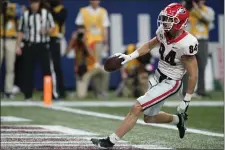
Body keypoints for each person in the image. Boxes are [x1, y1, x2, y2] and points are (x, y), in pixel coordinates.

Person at [91, 3, 198, 148]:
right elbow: (149, 45)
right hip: (158, 76)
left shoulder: (187, 43)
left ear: (180, 23)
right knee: (149, 118)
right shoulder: (163, 31)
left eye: (169, 19)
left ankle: (110, 141)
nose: (165, 22)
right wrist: (130, 57)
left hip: (171, 82)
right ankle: (178, 120)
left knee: (137, 107)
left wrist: (186, 100)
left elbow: (193, 74)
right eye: (165, 18)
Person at [16, 0, 55, 100]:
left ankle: (48, 94)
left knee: (47, 70)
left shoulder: (46, 13)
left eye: (36, 3)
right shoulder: (25, 15)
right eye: (33, 3)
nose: (34, 5)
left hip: (43, 45)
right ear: (30, 4)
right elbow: (20, 31)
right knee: (28, 71)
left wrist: (46, 31)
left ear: (39, 3)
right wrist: (18, 46)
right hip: (29, 45)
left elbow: (53, 28)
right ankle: (27, 95)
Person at [66, 25, 108, 99]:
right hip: (82, 71)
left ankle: (102, 92)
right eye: (80, 33)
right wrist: (72, 40)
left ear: (86, 33)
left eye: (83, 33)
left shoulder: (90, 40)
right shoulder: (75, 41)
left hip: (92, 68)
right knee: (81, 95)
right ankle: (84, 91)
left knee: (106, 71)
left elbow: (91, 55)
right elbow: (66, 52)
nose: (81, 35)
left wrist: (84, 42)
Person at [183, 0, 214, 97]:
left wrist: (196, 9)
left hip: (202, 41)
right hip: (189, 39)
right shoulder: (188, 9)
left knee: (202, 66)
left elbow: (208, 19)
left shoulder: (208, 10)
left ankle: (201, 90)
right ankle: (186, 92)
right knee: (187, 67)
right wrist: (186, 7)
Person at [75, 0, 110, 64]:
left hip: (98, 41)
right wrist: (82, 41)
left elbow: (105, 29)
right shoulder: (83, 11)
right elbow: (79, 28)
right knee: (86, 63)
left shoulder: (103, 12)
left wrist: (106, 44)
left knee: (97, 63)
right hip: (86, 42)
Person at [0, 1, 22, 98]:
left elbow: (19, 15)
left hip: (11, 39)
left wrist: (9, 8)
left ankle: (8, 91)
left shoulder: (14, 6)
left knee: (10, 67)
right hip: (0, 38)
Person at [49, 0, 67, 99]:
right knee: (50, 66)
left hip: (57, 38)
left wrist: (49, 9)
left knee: (56, 66)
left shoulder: (62, 9)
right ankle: (53, 90)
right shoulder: (45, 9)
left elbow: (59, 18)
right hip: (47, 39)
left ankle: (59, 90)